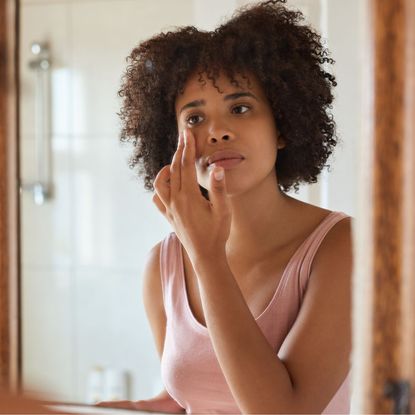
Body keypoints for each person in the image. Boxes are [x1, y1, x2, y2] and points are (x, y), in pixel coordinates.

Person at [97, 0, 353, 413]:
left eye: (240, 108)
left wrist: (207, 256)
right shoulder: (162, 265)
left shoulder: (340, 247)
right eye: (194, 119)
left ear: (282, 126)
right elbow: (188, 399)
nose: (216, 132)